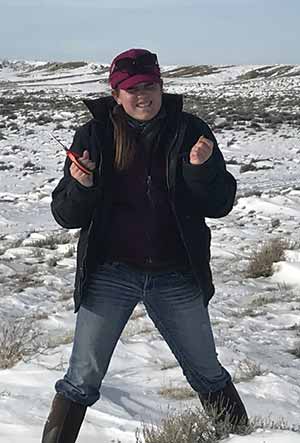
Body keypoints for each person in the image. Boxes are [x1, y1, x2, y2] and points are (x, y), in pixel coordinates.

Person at [41, 48, 248, 442]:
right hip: (111, 274)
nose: (142, 95)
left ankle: (244, 437)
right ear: (115, 93)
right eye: (131, 88)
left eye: (149, 85)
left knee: (207, 372)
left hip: (176, 274)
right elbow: (66, 215)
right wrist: (81, 186)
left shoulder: (190, 130)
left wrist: (200, 170)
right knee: (81, 378)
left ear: (161, 85)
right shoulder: (94, 136)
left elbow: (220, 204)